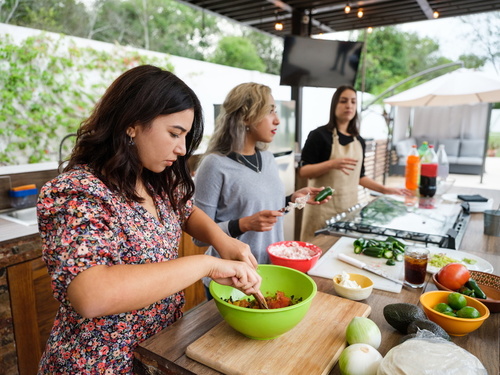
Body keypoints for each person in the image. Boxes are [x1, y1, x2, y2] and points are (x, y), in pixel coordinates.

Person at [37, 65, 263, 374]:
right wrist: (206, 264)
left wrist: (223, 240)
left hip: (156, 350)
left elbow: (186, 211)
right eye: (174, 133)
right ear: (132, 124)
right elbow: (91, 295)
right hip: (99, 364)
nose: (182, 149)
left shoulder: (155, 179)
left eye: (185, 137)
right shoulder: (77, 192)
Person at [193, 82, 330, 297]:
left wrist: (292, 200)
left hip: (269, 270)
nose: (277, 119)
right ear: (246, 117)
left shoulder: (266, 158)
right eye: (270, 111)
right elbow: (199, 237)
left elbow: (264, 208)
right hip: (231, 279)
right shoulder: (214, 165)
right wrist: (243, 224)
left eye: (275, 111)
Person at [298, 85, 408, 243]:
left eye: (353, 102)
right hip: (321, 210)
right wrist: (332, 164)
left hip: (348, 209)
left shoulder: (359, 140)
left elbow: (360, 176)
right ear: (334, 105)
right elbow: (304, 171)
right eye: (343, 101)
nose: (349, 105)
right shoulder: (319, 135)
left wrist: (385, 189)